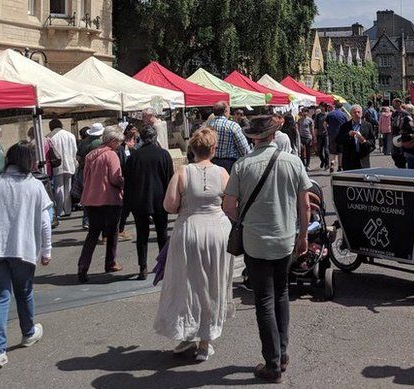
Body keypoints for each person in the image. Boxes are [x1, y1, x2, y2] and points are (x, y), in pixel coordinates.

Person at [222, 116, 310, 383]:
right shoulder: (293, 162)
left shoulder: (242, 165)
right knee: (282, 294)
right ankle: (281, 354)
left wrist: (243, 221)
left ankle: (272, 363)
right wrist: (303, 234)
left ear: (253, 138)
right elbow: (305, 205)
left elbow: (228, 205)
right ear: (274, 136)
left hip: (255, 240)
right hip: (284, 237)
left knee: (264, 300)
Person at [154, 127, 233, 361]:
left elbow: (169, 205)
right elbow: (230, 205)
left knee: (186, 284)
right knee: (213, 284)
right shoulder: (222, 173)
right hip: (217, 232)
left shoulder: (183, 172)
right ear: (213, 149)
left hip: (189, 230)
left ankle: (187, 333)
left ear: (192, 149)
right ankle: (204, 341)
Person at [0, 141, 54, 370]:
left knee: (0, 298)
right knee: (24, 293)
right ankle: (28, 332)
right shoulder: (34, 186)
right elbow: (45, 222)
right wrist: (47, 250)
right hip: (24, 249)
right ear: (28, 161)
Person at [123, 124, 173, 280]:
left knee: (142, 235)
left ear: (142, 139)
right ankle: (164, 265)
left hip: (140, 200)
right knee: (162, 234)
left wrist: (129, 204)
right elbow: (170, 179)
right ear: (155, 137)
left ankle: (142, 267)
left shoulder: (134, 157)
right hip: (160, 199)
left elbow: (128, 182)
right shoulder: (164, 155)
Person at [77, 126, 126, 281]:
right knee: (112, 232)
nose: (119, 144)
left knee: (93, 233)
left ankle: (83, 266)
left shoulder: (91, 155)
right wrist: (124, 184)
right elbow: (115, 178)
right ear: (112, 141)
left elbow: (85, 178)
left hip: (91, 198)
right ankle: (110, 262)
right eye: (118, 141)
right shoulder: (111, 155)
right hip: (108, 198)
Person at [206, 101, 250, 173]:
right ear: (226, 111)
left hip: (210, 162)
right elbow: (244, 149)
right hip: (229, 164)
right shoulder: (232, 126)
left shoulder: (207, 126)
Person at [48, 119, 77, 218]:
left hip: (57, 165)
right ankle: (68, 209)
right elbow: (74, 150)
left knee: (58, 187)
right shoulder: (70, 135)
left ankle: (59, 211)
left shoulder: (50, 136)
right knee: (68, 187)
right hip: (70, 163)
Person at [336, 105, 376, 170]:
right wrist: (348, 135)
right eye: (354, 112)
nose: (357, 114)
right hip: (349, 161)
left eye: (358, 112)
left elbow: (372, 143)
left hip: (363, 160)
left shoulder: (368, 125)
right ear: (351, 114)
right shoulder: (345, 126)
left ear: (362, 113)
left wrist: (364, 141)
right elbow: (338, 140)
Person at [325, 101, 349, 173]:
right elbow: (347, 125)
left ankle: (332, 163)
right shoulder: (344, 115)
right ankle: (340, 167)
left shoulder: (330, 114)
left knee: (332, 151)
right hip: (341, 135)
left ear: (335, 106)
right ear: (341, 107)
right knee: (340, 152)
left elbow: (324, 124)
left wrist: (328, 130)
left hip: (332, 135)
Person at [313, 104, 330, 170]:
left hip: (326, 135)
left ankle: (327, 164)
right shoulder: (318, 116)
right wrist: (315, 136)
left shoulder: (328, 115)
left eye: (324, 107)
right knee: (319, 151)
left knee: (326, 150)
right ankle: (323, 160)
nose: (322, 108)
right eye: (321, 107)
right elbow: (316, 126)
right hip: (319, 135)